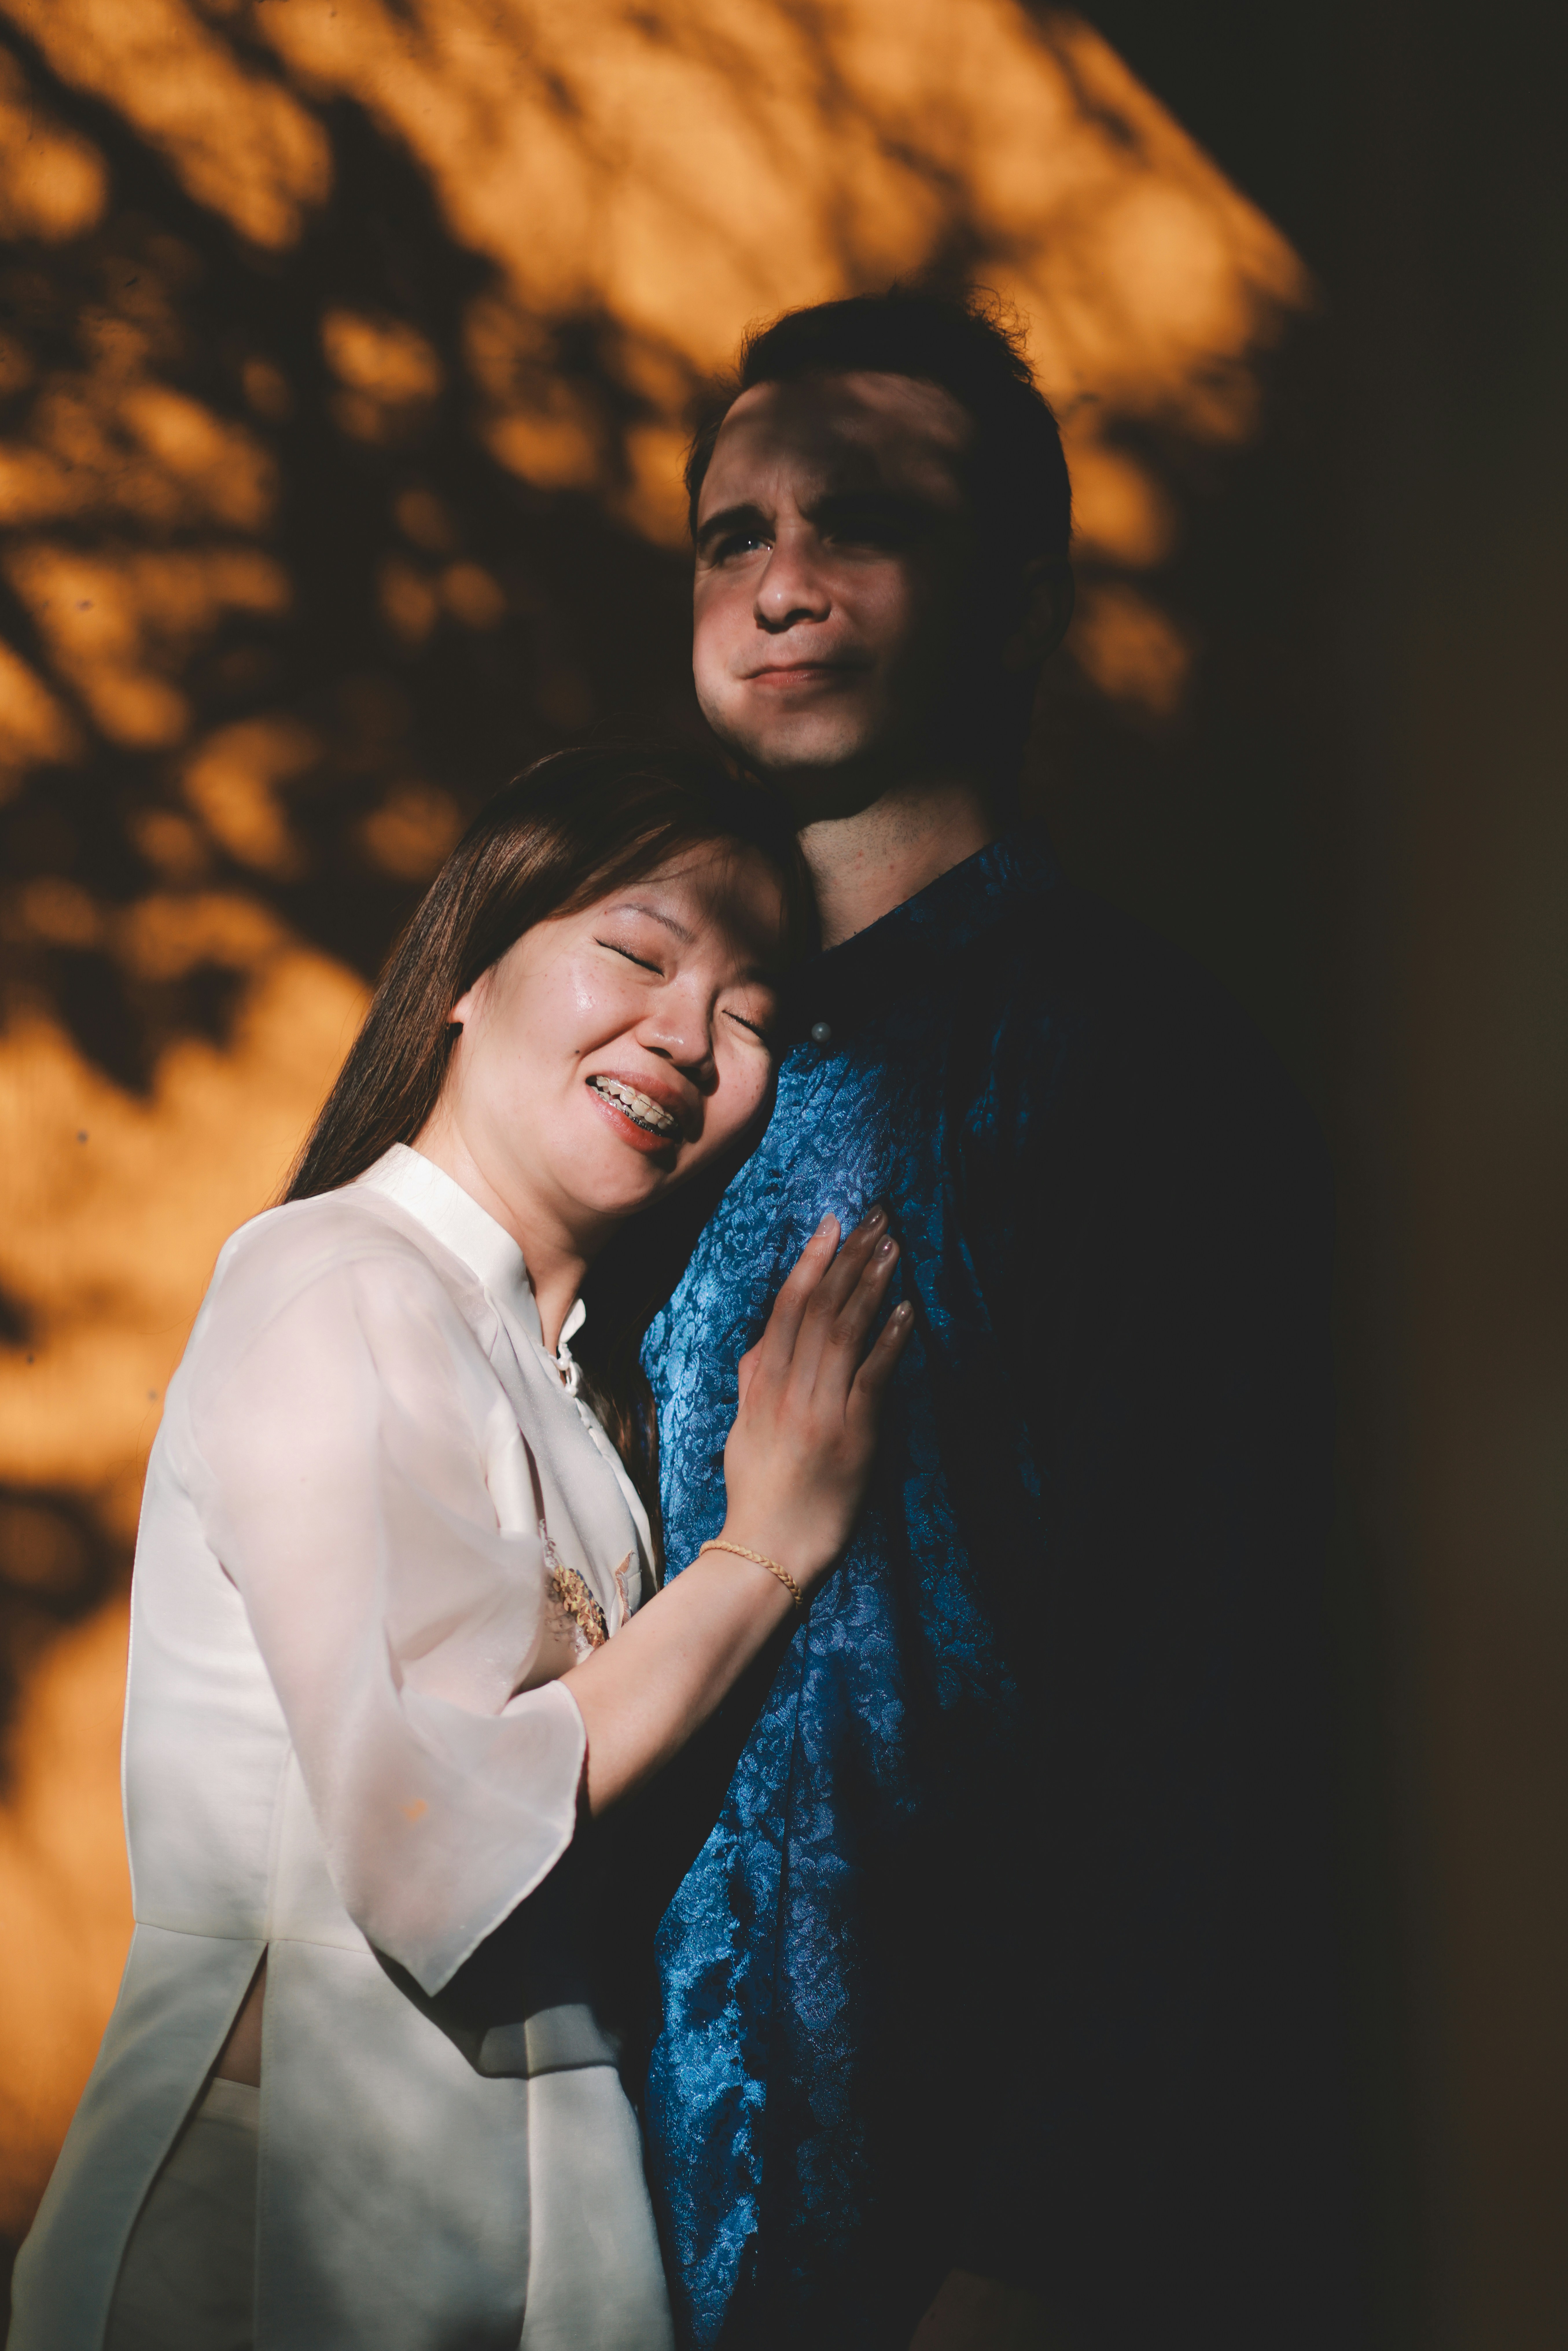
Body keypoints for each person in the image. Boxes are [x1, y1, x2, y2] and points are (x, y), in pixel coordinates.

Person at [638, 290, 1363, 2348]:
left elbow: (1194, 1714)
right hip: (631, 2240)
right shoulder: (660, 1090)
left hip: (970, 2250)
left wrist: (1029, 2258)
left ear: (1022, 606)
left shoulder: (1138, 1072)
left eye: (857, 523)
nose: (777, 581)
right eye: (729, 534)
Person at [7, 746, 913, 2351]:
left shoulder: (567, 1396)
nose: (691, 1041)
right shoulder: (334, 1280)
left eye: (755, 1014)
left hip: (502, 2230)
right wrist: (765, 1556)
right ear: (466, 978)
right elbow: (426, 1837)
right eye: (637, 955)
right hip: (275, 2244)